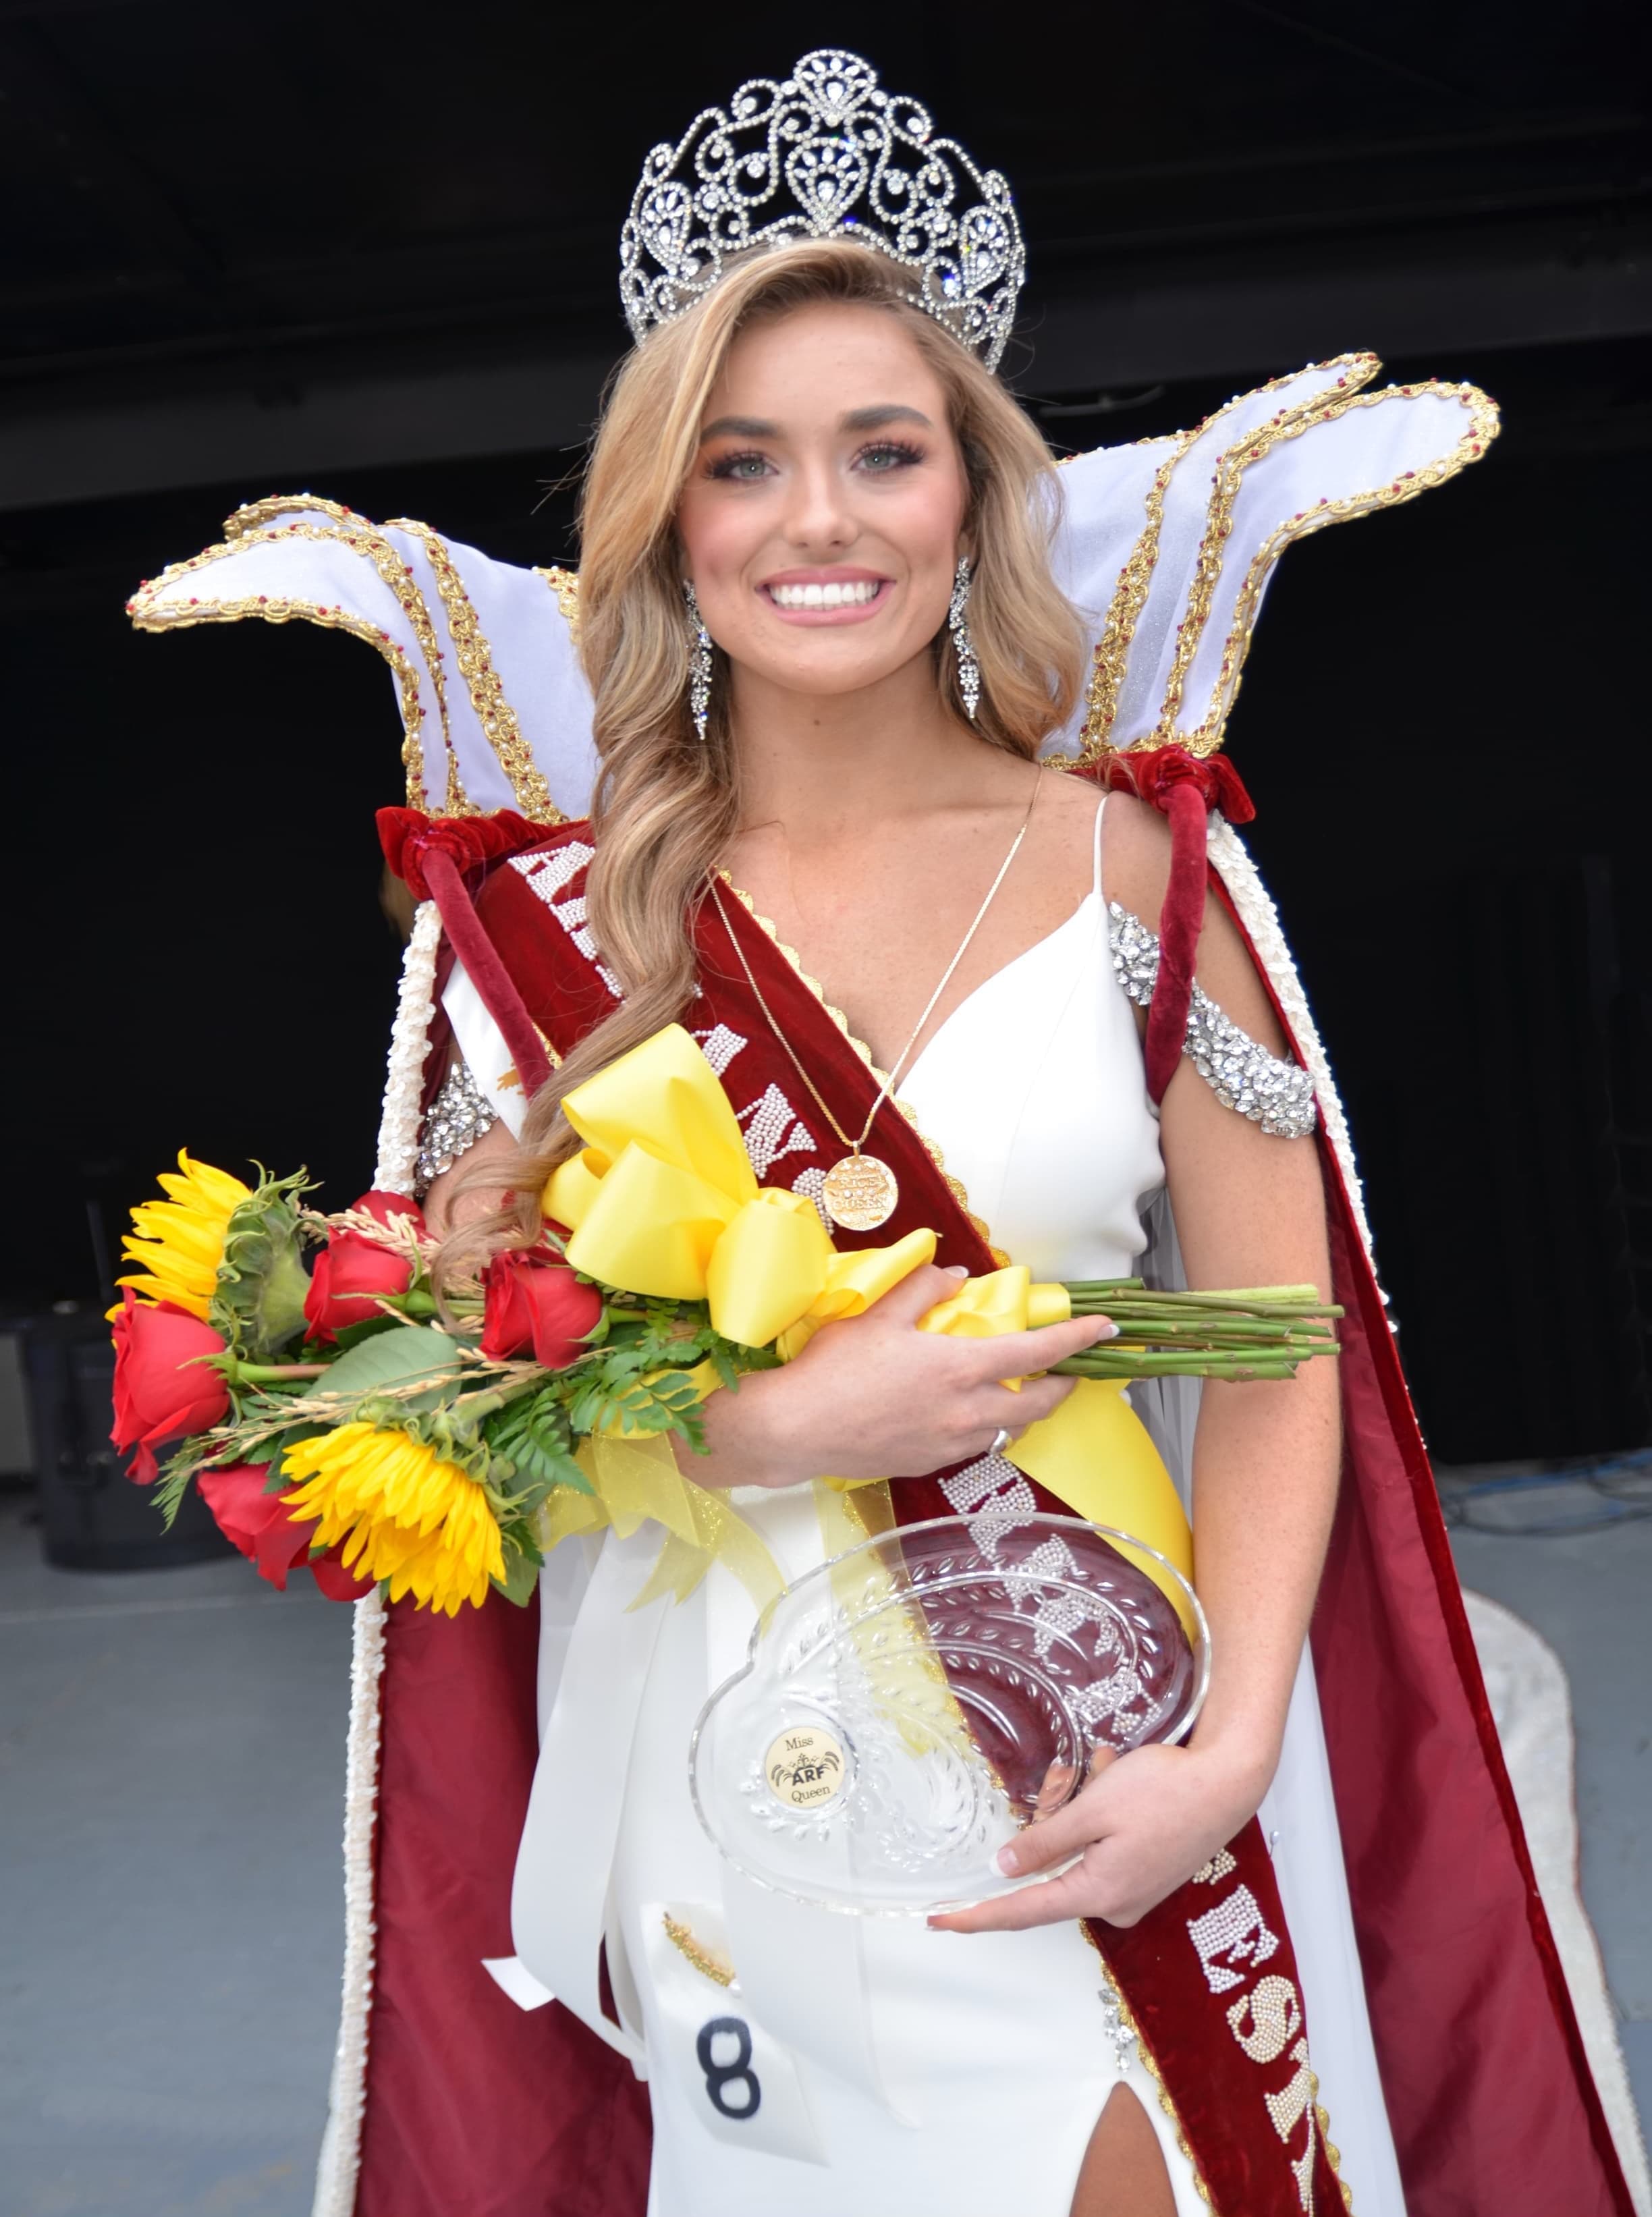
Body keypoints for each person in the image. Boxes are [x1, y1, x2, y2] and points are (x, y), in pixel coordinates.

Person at [128, 51, 1636, 2217]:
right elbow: (448, 1400)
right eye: (744, 464)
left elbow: (1282, 1333)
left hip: (1084, 1756)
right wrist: (756, 1434)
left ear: (967, 497)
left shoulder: (1142, 876)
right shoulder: (548, 934)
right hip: (719, 1785)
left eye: (882, 453)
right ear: (668, 516)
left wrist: (1222, 1764)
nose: (817, 520)